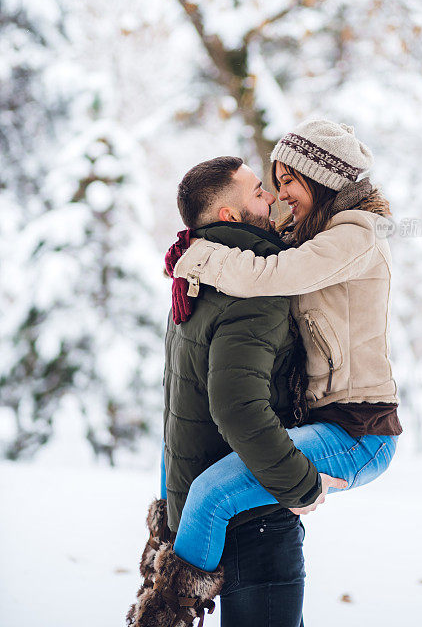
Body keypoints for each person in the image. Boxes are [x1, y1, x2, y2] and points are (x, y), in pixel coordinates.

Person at [167, 119, 402, 622]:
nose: (279, 194)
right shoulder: (309, 237)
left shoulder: (355, 236)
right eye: (271, 182)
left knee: (211, 494)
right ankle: (171, 603)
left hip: (359, 429)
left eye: (288, 180)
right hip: (326, 422)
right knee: (210, 494)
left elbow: (271, 273)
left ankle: (166, 610)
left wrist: (199, 253)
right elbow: (255, 240)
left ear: (318, 180)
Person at [127, 156, 346, 627]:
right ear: (230, 215)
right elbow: (236, 407)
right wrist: (301, 484)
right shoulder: (253, 283)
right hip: (252, 512)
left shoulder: (196, 276)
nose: (271, 196)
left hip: (203, 500)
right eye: (257, 192)